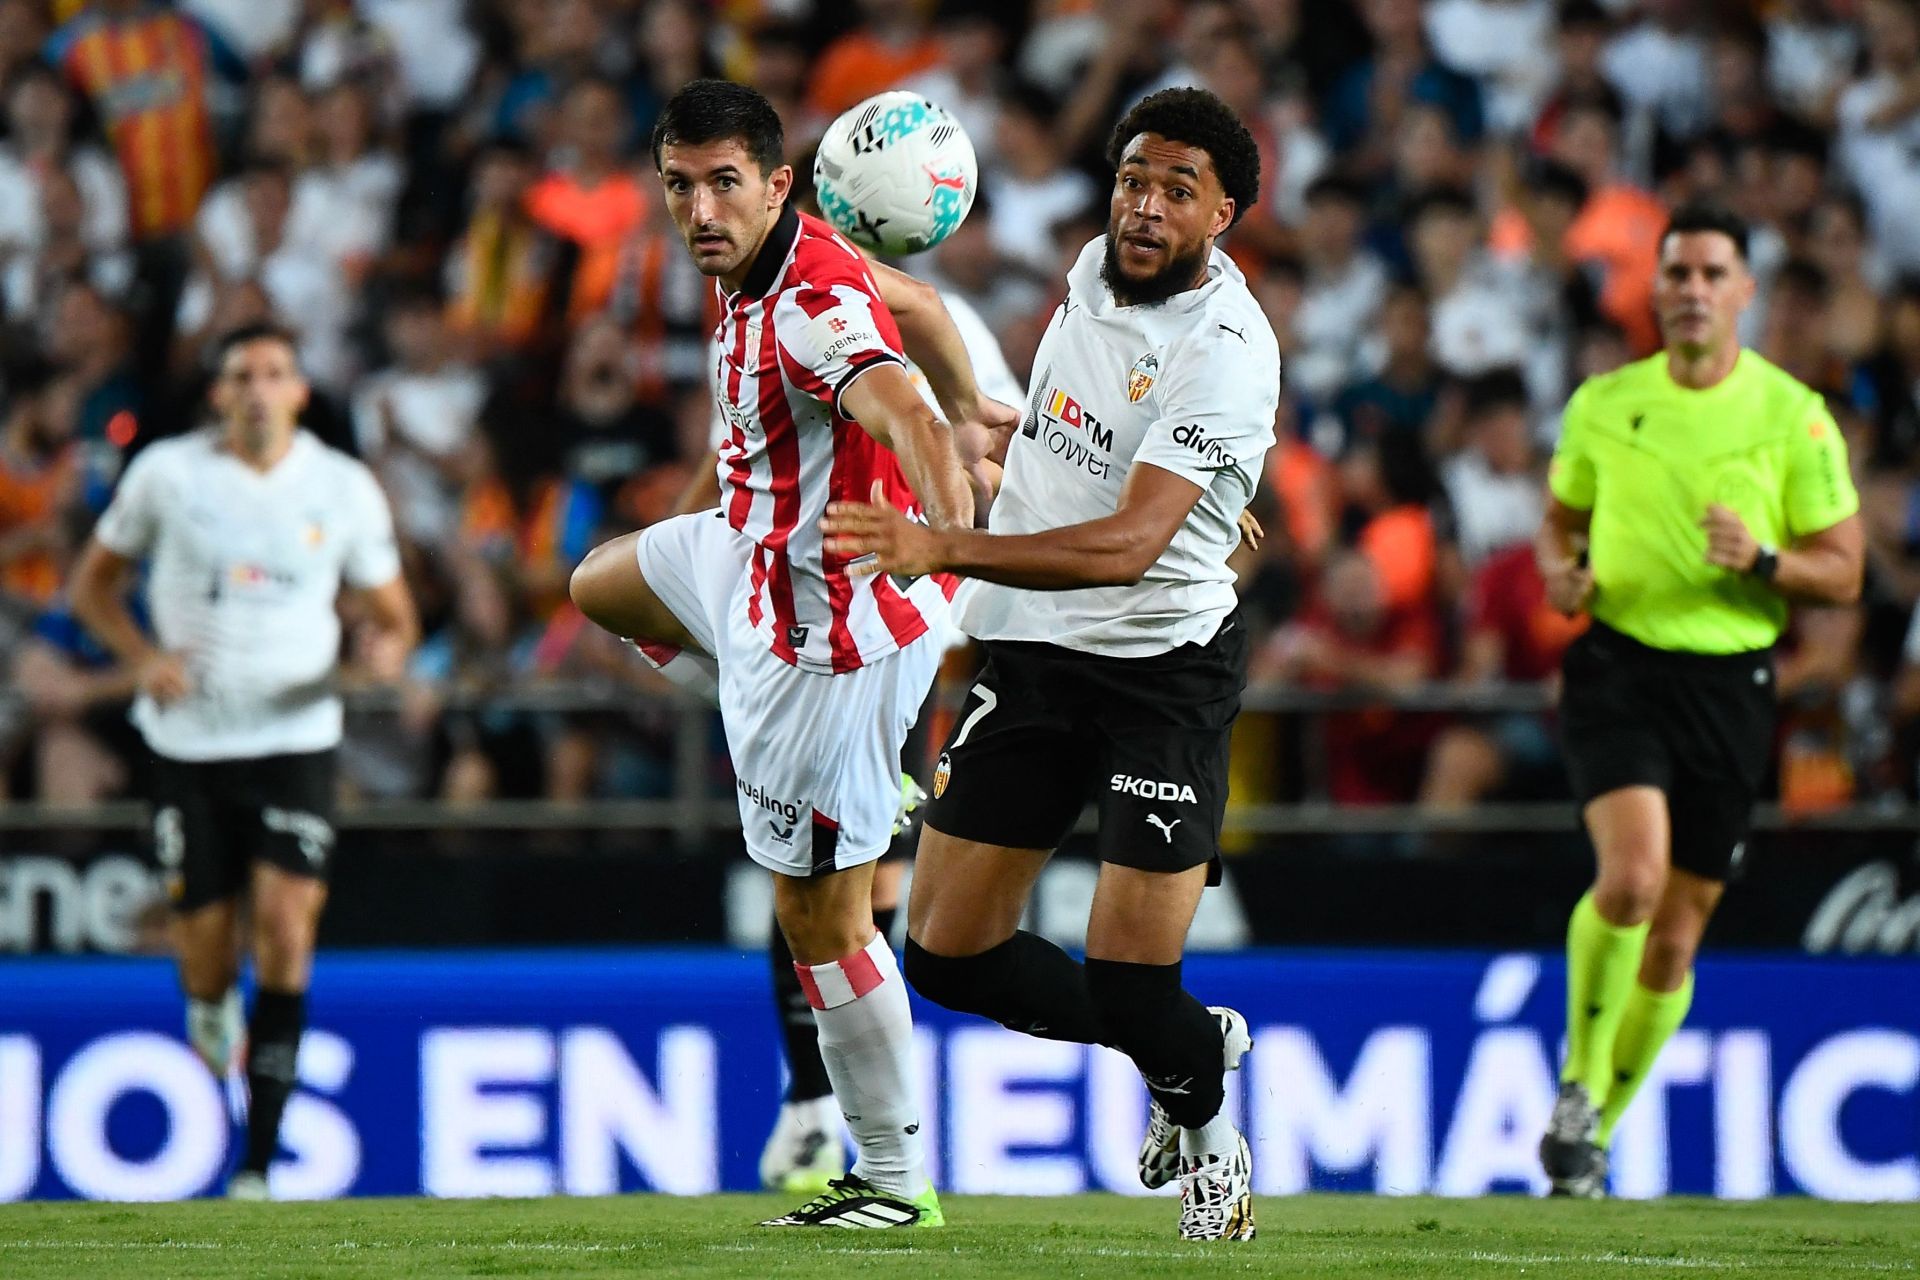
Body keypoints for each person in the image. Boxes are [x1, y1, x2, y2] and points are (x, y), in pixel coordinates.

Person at [822, 86, 1278, 1242]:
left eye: (1179, 190)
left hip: (1160, 664)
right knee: (946, 955)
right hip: (1032, 650)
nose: (1146, 204)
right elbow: (1083, 428)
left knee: (1130, 978)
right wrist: (1008, 424)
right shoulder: (1089, 270)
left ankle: (1201, 1109)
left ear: (1223, 213)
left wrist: (944, 544)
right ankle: (1199, 1036)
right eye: (1134, 179)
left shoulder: (1227, 352)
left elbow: (1130, 548)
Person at [568, 79, 1011, 1229]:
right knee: (596, 581)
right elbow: (915, 299)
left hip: (829, 631)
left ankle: (892, 1179)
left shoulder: (811, 308)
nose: (700, 209)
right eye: (679, 184)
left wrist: (944, 513)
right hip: (746, 561)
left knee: (821, 914)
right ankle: (772, 709)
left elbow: (897, 403)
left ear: (776, 184)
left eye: (724, 184)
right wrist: (977, 400)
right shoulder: (776, 257)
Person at [1534, 205, 1864, 1197]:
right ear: (1657, 288)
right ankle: (1576, 1087)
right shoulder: (1604, 401)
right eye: (1674, 272)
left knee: (1675, 937)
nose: (1688, 289)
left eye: (1711, 272)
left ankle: (1591, 1146)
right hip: (1621, 667)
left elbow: (1844, 571)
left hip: (1733, 683)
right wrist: (1560, 573)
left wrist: (1764, 560)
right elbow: (1559, 526)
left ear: (1743, 290)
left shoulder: (1792, 413)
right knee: (1631, 879)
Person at [67, 323, 418, 1199]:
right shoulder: (168, 476)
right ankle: (209, 1004)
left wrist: (385, 652)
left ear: (299, 392)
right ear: (218, 395)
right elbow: (91, 586)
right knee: (209, 955)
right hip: (189, 742)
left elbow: (395, 615)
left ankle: (257, 1164)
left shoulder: (340, 488)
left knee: (289, 932)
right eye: (241, 376)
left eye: (274, 374)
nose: (258, 389)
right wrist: (143, 658)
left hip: (296, 739)